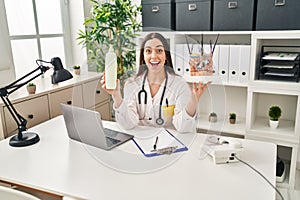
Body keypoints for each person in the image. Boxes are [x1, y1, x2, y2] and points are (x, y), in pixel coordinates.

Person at [100, 33, 210, 132]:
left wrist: (193, 103)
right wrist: (116, 96)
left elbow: (182, 127)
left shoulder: (179, 84)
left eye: (159, 50)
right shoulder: (132, 84)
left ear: (166, 56)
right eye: (148, 51)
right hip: (143, 143)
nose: (153, 56)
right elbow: (128, 124)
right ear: (143, 56)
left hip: (171, 146)